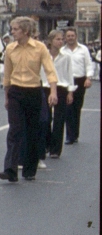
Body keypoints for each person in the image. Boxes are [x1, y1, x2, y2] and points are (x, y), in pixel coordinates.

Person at [0, 17, 57, 183]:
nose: (12, 32)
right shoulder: (10, 49)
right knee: (15, 130)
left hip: (33, 91)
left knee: (32, 130)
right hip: (16, 91)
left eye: (15, 29)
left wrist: (53, 92)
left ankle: (29, 169)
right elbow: (7, 75)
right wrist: (7, 97)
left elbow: (50, 70)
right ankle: (10, 168)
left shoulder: (39, 48)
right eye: (12, 29)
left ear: (25, 31)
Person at [44, 30, 75, 159]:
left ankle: (55, 149)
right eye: (58, 39)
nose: (61, 41)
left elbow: (69, 74)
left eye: (62, 39)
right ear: (50, 41)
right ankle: (46, 144)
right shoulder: (44, 55)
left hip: (61, 87)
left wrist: (70, 92)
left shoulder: (66, 56)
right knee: (45, 119)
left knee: (59, 118)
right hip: (46, 87)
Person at [62, 28, 94, 145]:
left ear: (76, 37)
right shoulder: (62, 50)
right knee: (68, 108)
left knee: (76, 107)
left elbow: (88, 64)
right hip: (67, 81)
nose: (70, 38)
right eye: (68, 36)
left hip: (80, 80)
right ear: (65, 38)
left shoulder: (83, 49)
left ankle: (75, 134)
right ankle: (69, 135)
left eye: (72, 36)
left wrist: (88, 78)